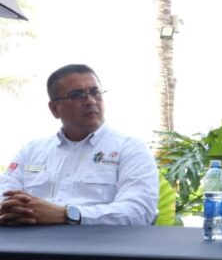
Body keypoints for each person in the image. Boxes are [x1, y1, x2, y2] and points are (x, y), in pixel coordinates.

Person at [0, 63, 158, 226]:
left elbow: (139, 211)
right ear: (55, 109)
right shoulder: (31, 150)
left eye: (95, 92)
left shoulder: (130, 148)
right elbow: (4, 196)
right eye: (77, 95)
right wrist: (13, 209)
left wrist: (68, 215)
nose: (90, 101)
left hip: (96, 247)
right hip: (25, 247)